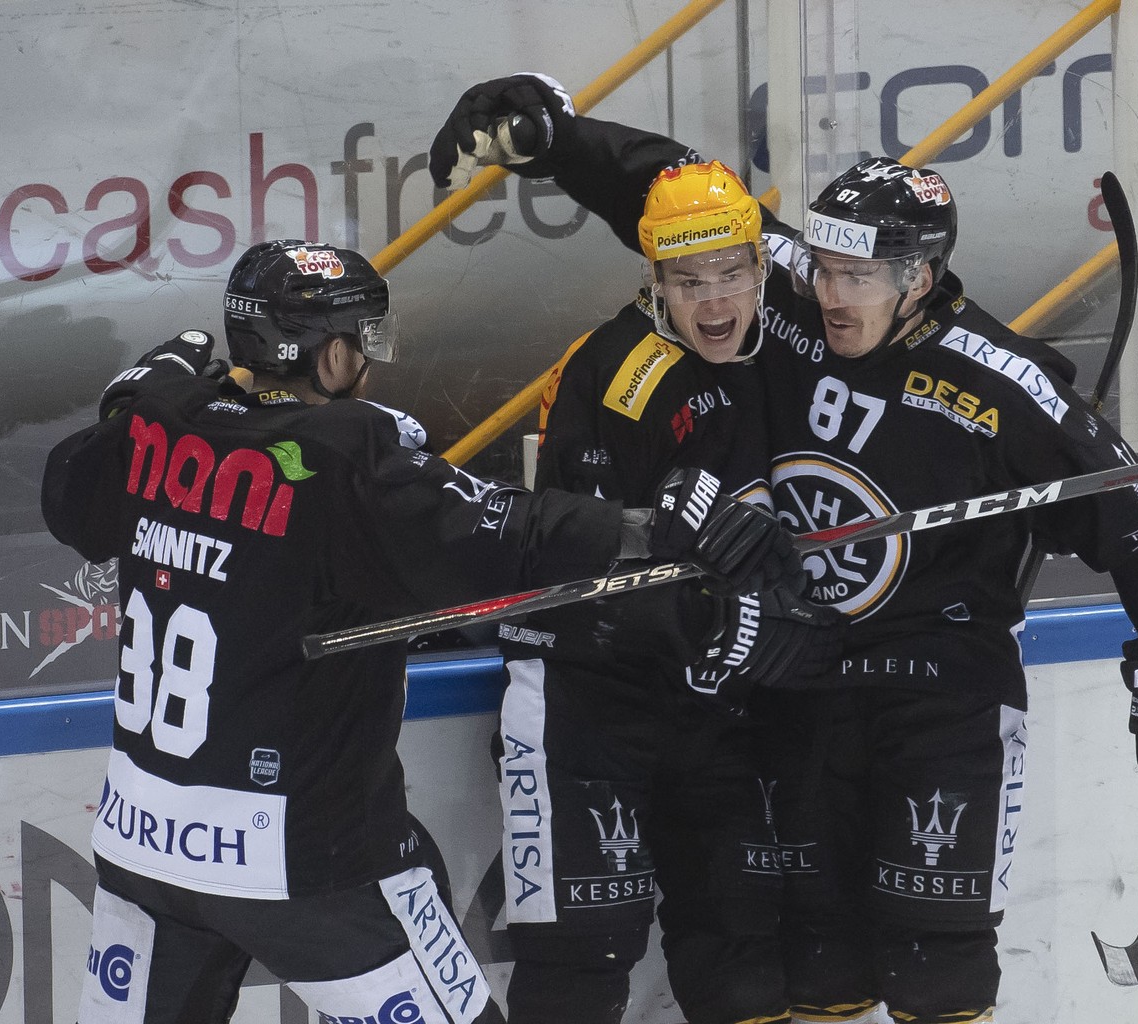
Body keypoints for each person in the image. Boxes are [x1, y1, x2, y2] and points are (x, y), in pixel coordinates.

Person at [430, 77, 1138, 1024]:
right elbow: (676, 194)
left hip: (940, 689)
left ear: (918, 280)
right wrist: (557, 138)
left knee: (938, 969)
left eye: (857, 278)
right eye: (822, 268)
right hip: (799, 692)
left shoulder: (1001, 382)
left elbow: (1126, 513)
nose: (829, 292)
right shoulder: (792, 289)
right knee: (814, 967)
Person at [40, 237, 804, 1024]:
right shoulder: (336, 454)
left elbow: (68, 492)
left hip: (142, 836)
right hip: (303, 857)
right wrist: (661, 527)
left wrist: (136, 401)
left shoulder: (155, 425)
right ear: (330, 355)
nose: (370, 362)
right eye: (363, 341)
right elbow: (510, 533)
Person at [490, 144, 843, 1022]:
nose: (715, 301)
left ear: (765, 268)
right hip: (584, 711)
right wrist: (746, 623)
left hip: (704, 712)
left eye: (732, 273)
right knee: (579, 966)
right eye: (690, 281)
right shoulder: (622, 376)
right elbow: (591, 587)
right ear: (655, 280)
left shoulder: (768, 351)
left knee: (742, 961)